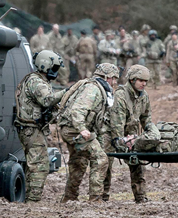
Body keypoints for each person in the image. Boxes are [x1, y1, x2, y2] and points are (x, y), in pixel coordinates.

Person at [57, 63, 119, 202]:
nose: (115, 82)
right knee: (100, 159)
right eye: (114, 79)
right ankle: (95, 200)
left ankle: (69, 198)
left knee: (78, 163)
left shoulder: (95, 87)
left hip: (71, 129)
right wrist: (82, 129)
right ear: (107, 77)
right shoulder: (93, 89)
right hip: (75, 131)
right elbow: (77, 110)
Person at [14, 50, 67, 202]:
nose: (56, 72)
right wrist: (66, 92)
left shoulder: (41, 81)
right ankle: (32, 201)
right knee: (40, 165)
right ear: (45, 66)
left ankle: (28, 199)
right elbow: (47, 100)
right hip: (31, 129)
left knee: (34, 165)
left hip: (34, 129)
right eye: (54, 68)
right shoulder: (36, 82)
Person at [105, 65, 159, 203]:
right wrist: (120, 141)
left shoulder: (144, 96)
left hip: (131, 133)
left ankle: (140, 197)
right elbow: (117, 122)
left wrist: (151, 134)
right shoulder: (121, 95)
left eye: (145, 81)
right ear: (132, 79)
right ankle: (102, 197)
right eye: (141, 80)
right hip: (113, 134)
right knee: (106, 165)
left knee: (137, 163)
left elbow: (146, 118)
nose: (144, 84)